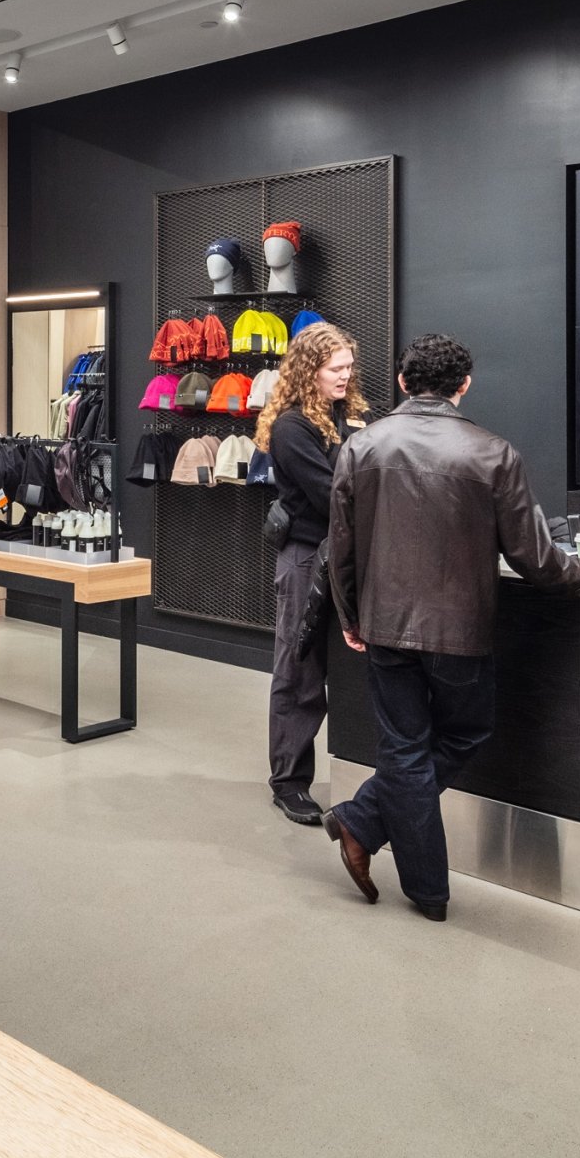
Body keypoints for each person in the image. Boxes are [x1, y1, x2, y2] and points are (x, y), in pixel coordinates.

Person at [321, 332, 580, 921]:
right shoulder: (493, 453)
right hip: (460, 630)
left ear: (403, 382)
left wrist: (351, 615)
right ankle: (408, 871)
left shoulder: (362, 446)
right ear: (464, 385)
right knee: (463, 734)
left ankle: (366, 823)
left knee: (404, 750)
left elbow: (341, 550)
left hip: (383, 625)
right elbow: (534, 557)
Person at [259, 321, 368, 827]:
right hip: (306, 558)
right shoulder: (292, 427)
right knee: (299, 670)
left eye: (349, 367)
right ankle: (289, 782)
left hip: (348, 555)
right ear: (310, 370)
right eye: (336, 369)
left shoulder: (354, 415)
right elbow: (331, 496)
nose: (346, 376)